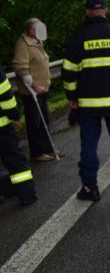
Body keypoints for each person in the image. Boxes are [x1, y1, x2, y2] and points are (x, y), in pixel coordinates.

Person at [62, 0, 110, 201]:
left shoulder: (78, 37)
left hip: (89, 105)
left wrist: (72, 98)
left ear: (87, 12)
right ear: (106, 10)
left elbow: (68, 72)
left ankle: (90, 188)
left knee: (89, 146)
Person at [12, 18, 61, 161]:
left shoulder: (37, 42)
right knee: (35, 123)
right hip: (32, 92)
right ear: (32, 31)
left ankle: (48, 149)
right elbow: (20, 68)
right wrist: (35, 86)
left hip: (42, 89)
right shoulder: (23, 45)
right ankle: (37, 153)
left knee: (44, 120)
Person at [0, 63, 38, 206]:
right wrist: (14, 115)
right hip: (2, 127)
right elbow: (4, 93)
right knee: (15, 160)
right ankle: (27, 195)